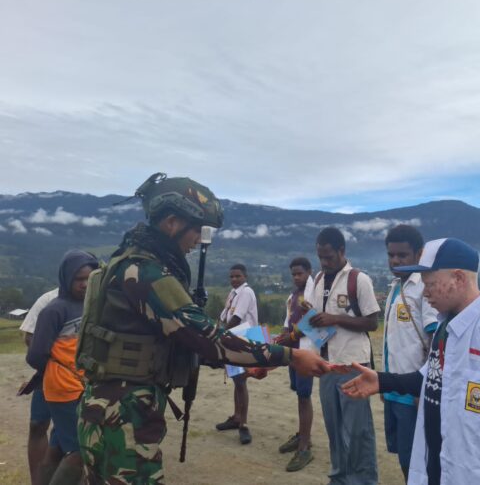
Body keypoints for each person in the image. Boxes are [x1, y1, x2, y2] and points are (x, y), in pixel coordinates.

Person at [75, 173, 328, 484]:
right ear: (171, 222)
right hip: (122, 413)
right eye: (196, 229)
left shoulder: (126, 261)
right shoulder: (144, 272)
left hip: (108, 407)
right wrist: (289, 356)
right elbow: (210, 340)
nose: (198, 238)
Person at [341, 237, 480, 485]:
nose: (425, 291)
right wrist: (382, 381)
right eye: (423, 283)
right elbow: (428, 377)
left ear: (459, 278)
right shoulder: (446, 326)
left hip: (478, 472)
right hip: (439, 464)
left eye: (431, 283)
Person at [310, 226, 381, 485]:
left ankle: (363, 480)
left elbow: (372, 322)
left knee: (358, 429)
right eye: (320, 257)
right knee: (334, 428)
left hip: (353, 365)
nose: (325, 262)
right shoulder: (318, 280)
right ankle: (339, 477)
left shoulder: (358, 279)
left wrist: (335, 319)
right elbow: (315, 319)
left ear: (342, 251)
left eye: (329, 256)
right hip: (328, 365)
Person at [27, 250, 99, 485]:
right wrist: (57, 371)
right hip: (63, 388)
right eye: (79, 279)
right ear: (67, 278)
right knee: (81, 450)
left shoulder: (89, 306)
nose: (85, 284)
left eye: (90, 278)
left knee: (57, 444)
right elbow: (35, 354)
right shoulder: (55, 310)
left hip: (79, 386)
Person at [382, 225, 438, 481]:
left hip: (413, 391)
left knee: (414, 459)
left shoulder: (423, 289)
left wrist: (425, 386)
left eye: (402, 255)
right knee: (401, 453)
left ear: (419, 254)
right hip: (392, 387)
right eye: (391, 255)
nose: (395, 260)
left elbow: (435, 339)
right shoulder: (396, 286)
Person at [274, 257, 316, 471]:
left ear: (309, 271)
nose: (297, 277)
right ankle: (302, 434)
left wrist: (289, 336)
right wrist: (281, 339)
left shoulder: (313, 293)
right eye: (293, 274)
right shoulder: (292, 297)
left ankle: (304, 447)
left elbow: (314, 320)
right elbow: (286, 322)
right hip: (292, 351)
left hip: (305, 351)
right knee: (299, 393)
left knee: (304, 395)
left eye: (300, 273)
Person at [215, 263, 259, 444]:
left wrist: (219, 335)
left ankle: (244, 424)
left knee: (241, 381)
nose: (234, 279)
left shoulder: (246, 292)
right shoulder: (233, 294)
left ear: (245, 277)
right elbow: (225, 316)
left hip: (246, 338)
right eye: (231, 277)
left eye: (237, 276)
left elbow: (236, 318)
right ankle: (236, 416)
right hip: (235, 339)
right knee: (236, 380)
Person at [19, 287, 58, 485]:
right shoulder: (49, 300)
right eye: (78, 277)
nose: (84, 283)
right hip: (49, 373)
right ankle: (38, 481)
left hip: (86, 377)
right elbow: (29, 337)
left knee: (69, 431)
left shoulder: (100, 300)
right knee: (38, 425)